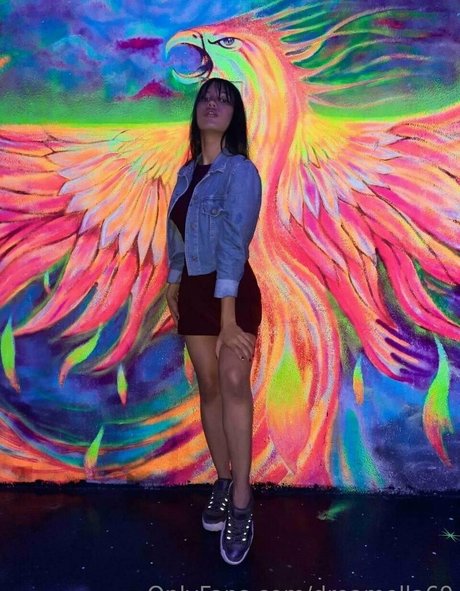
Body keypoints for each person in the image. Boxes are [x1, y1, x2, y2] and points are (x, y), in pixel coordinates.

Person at [165, 77, 262, 566]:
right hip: (194, 291)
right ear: (196, 111)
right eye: (207, 97)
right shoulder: (185, 174)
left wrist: (228, 320)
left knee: (233, 380)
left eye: (224, 100)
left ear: (234, 116)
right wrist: (172, 280)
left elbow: (233, 244)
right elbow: (177, 235)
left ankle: (242, 498)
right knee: (208, 387)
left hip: (231, 291)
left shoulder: (240, 172)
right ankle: (223, 479)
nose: (213, 104)